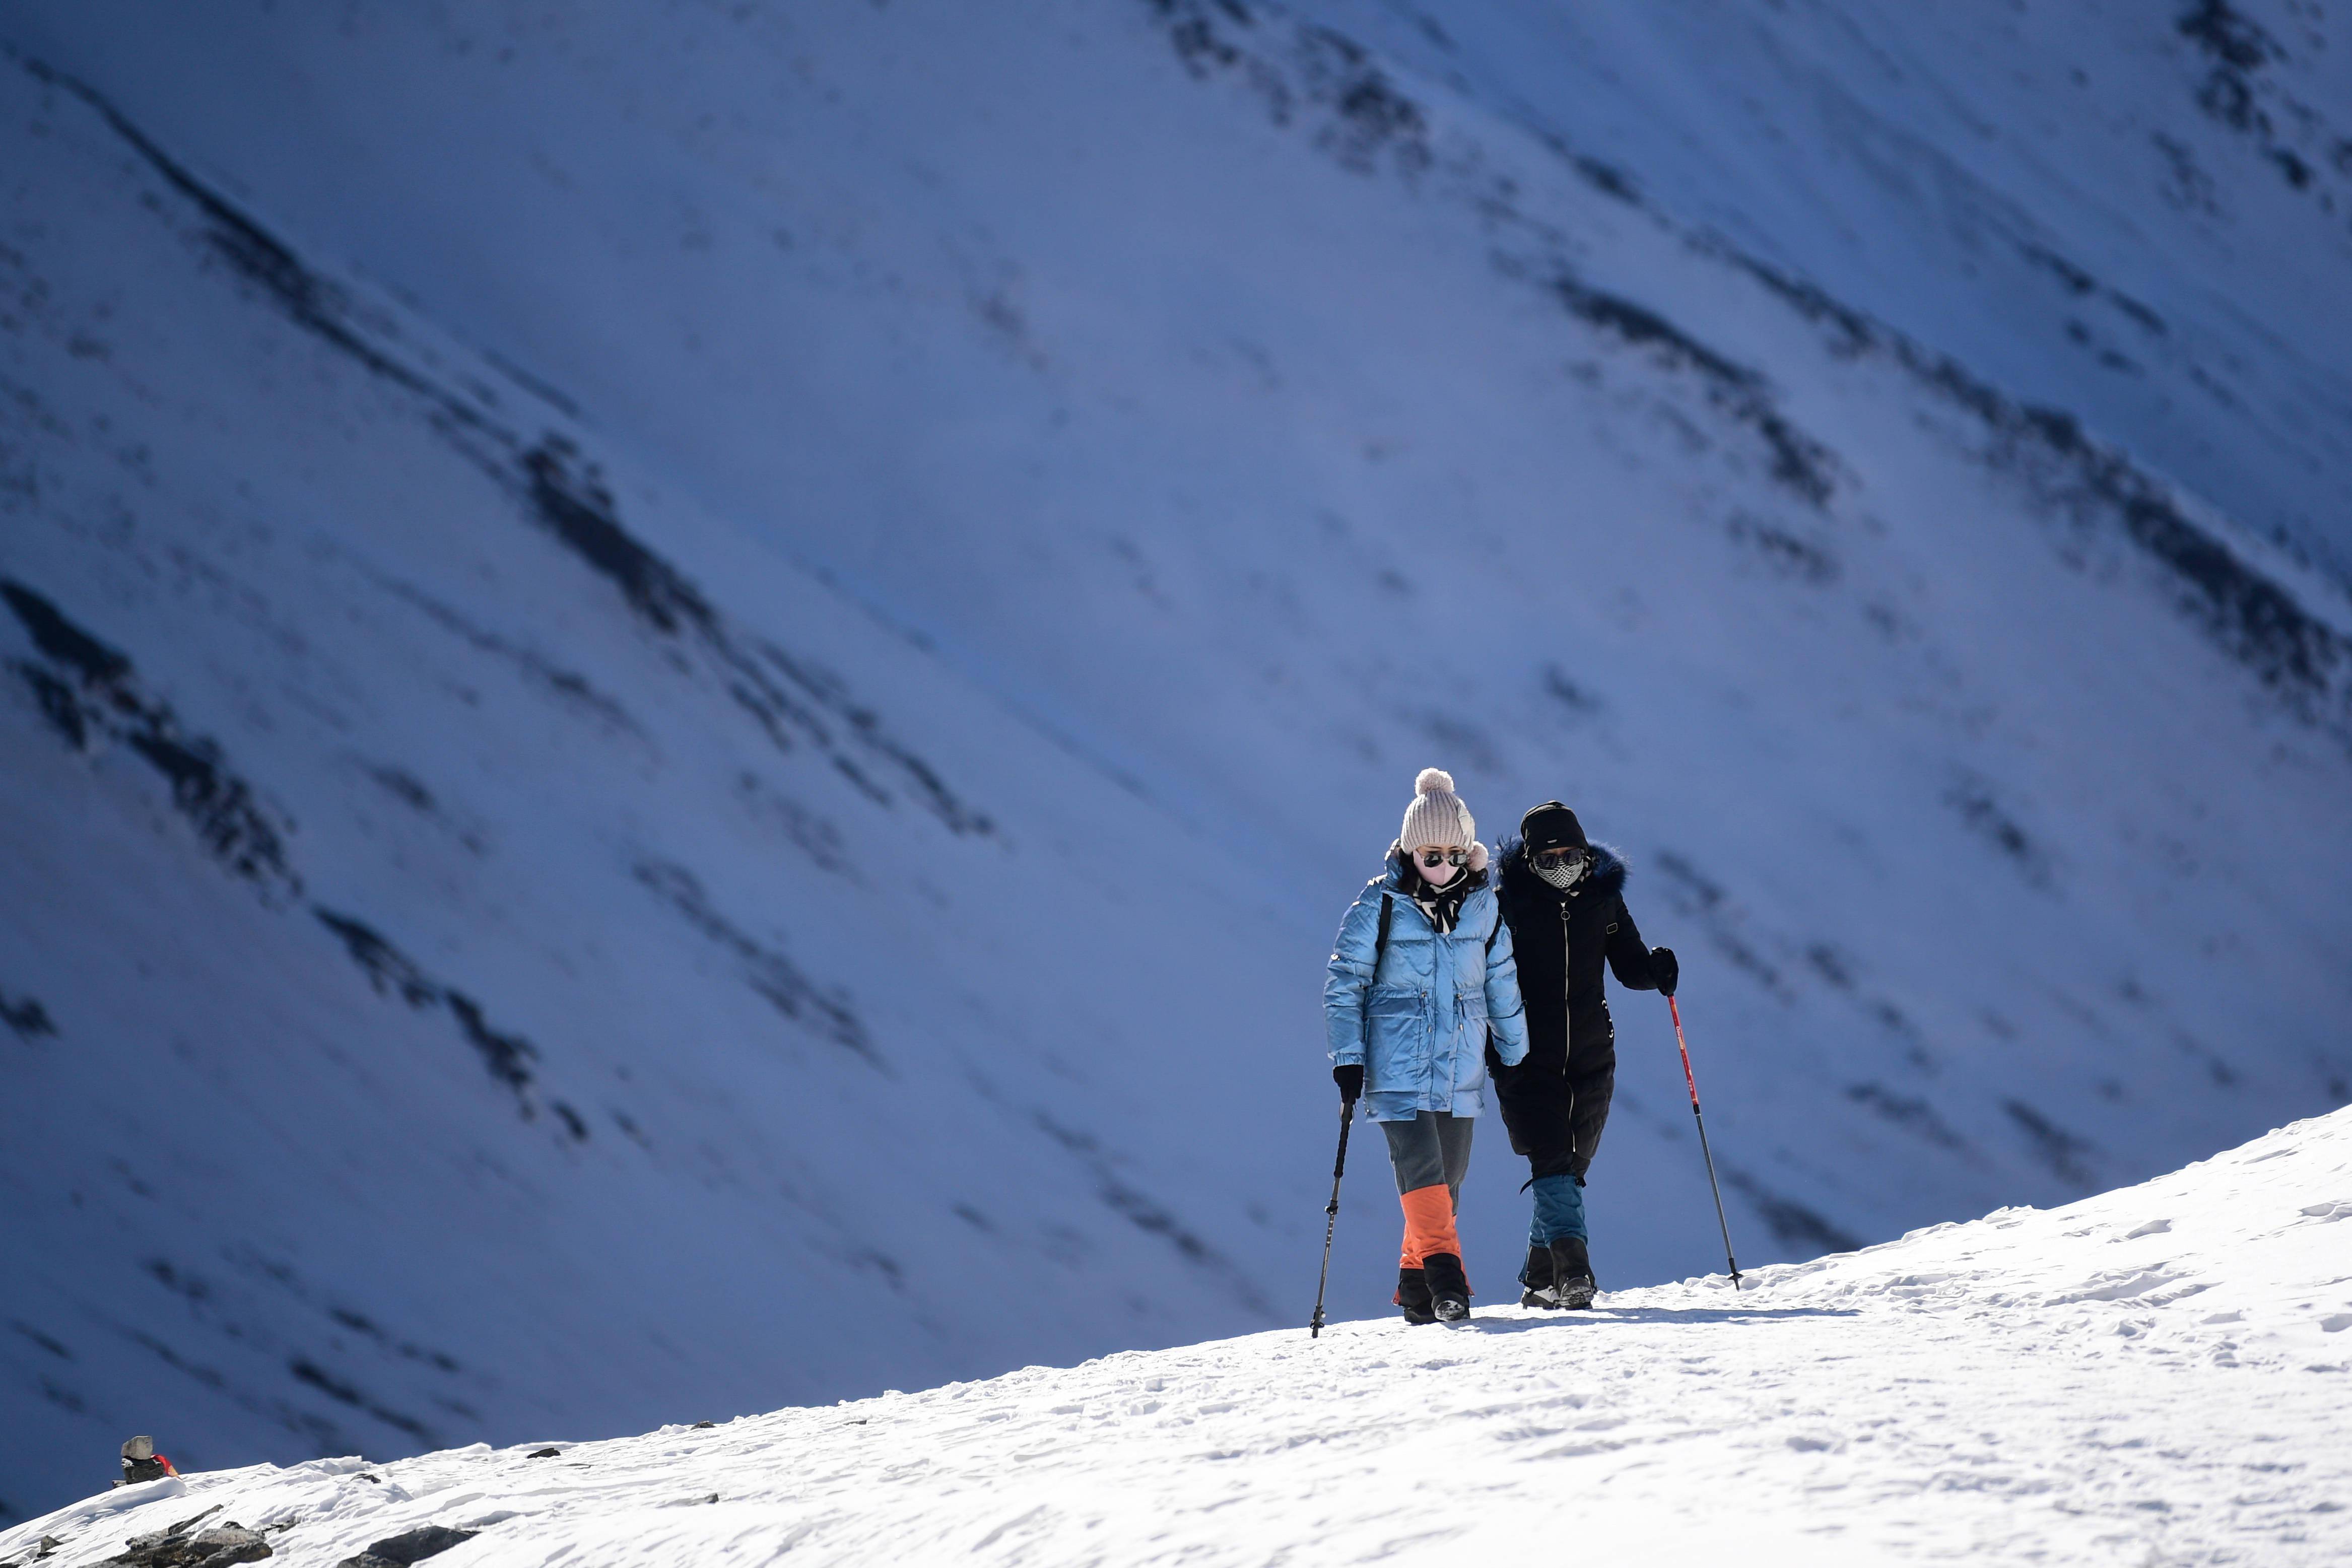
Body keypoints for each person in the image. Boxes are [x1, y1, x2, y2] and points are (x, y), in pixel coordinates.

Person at [1324, 768, 1528, 1323]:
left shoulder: (1483, 907)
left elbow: (1501, 979)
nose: (1444, 867)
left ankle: (1415, 1286)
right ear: (1411, 850)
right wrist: (1348, 1058)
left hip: (1460, 1063)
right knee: (1422, 1167)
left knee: (1450, 1173)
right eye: (1432, 855)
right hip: (1396, 1061)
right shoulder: (1380, 905)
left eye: (1455, 856)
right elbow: (1345, 982)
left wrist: (1515, 1051)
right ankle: (1446, 1278)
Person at [1490, 801, 1678, 1309]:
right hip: (1524, 1055)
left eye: (1568, 854)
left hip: (1593, 1053)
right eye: (1547, 858)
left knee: (1570, 1168)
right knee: (1550, 1159)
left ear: (1585, 852)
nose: (1560, 864)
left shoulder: (1603, 899)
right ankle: (1575, 1273)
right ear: (1529, 861)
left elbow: (1629, 965)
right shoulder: (1505, 906)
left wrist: (1656, 972)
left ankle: (1540, 1278)